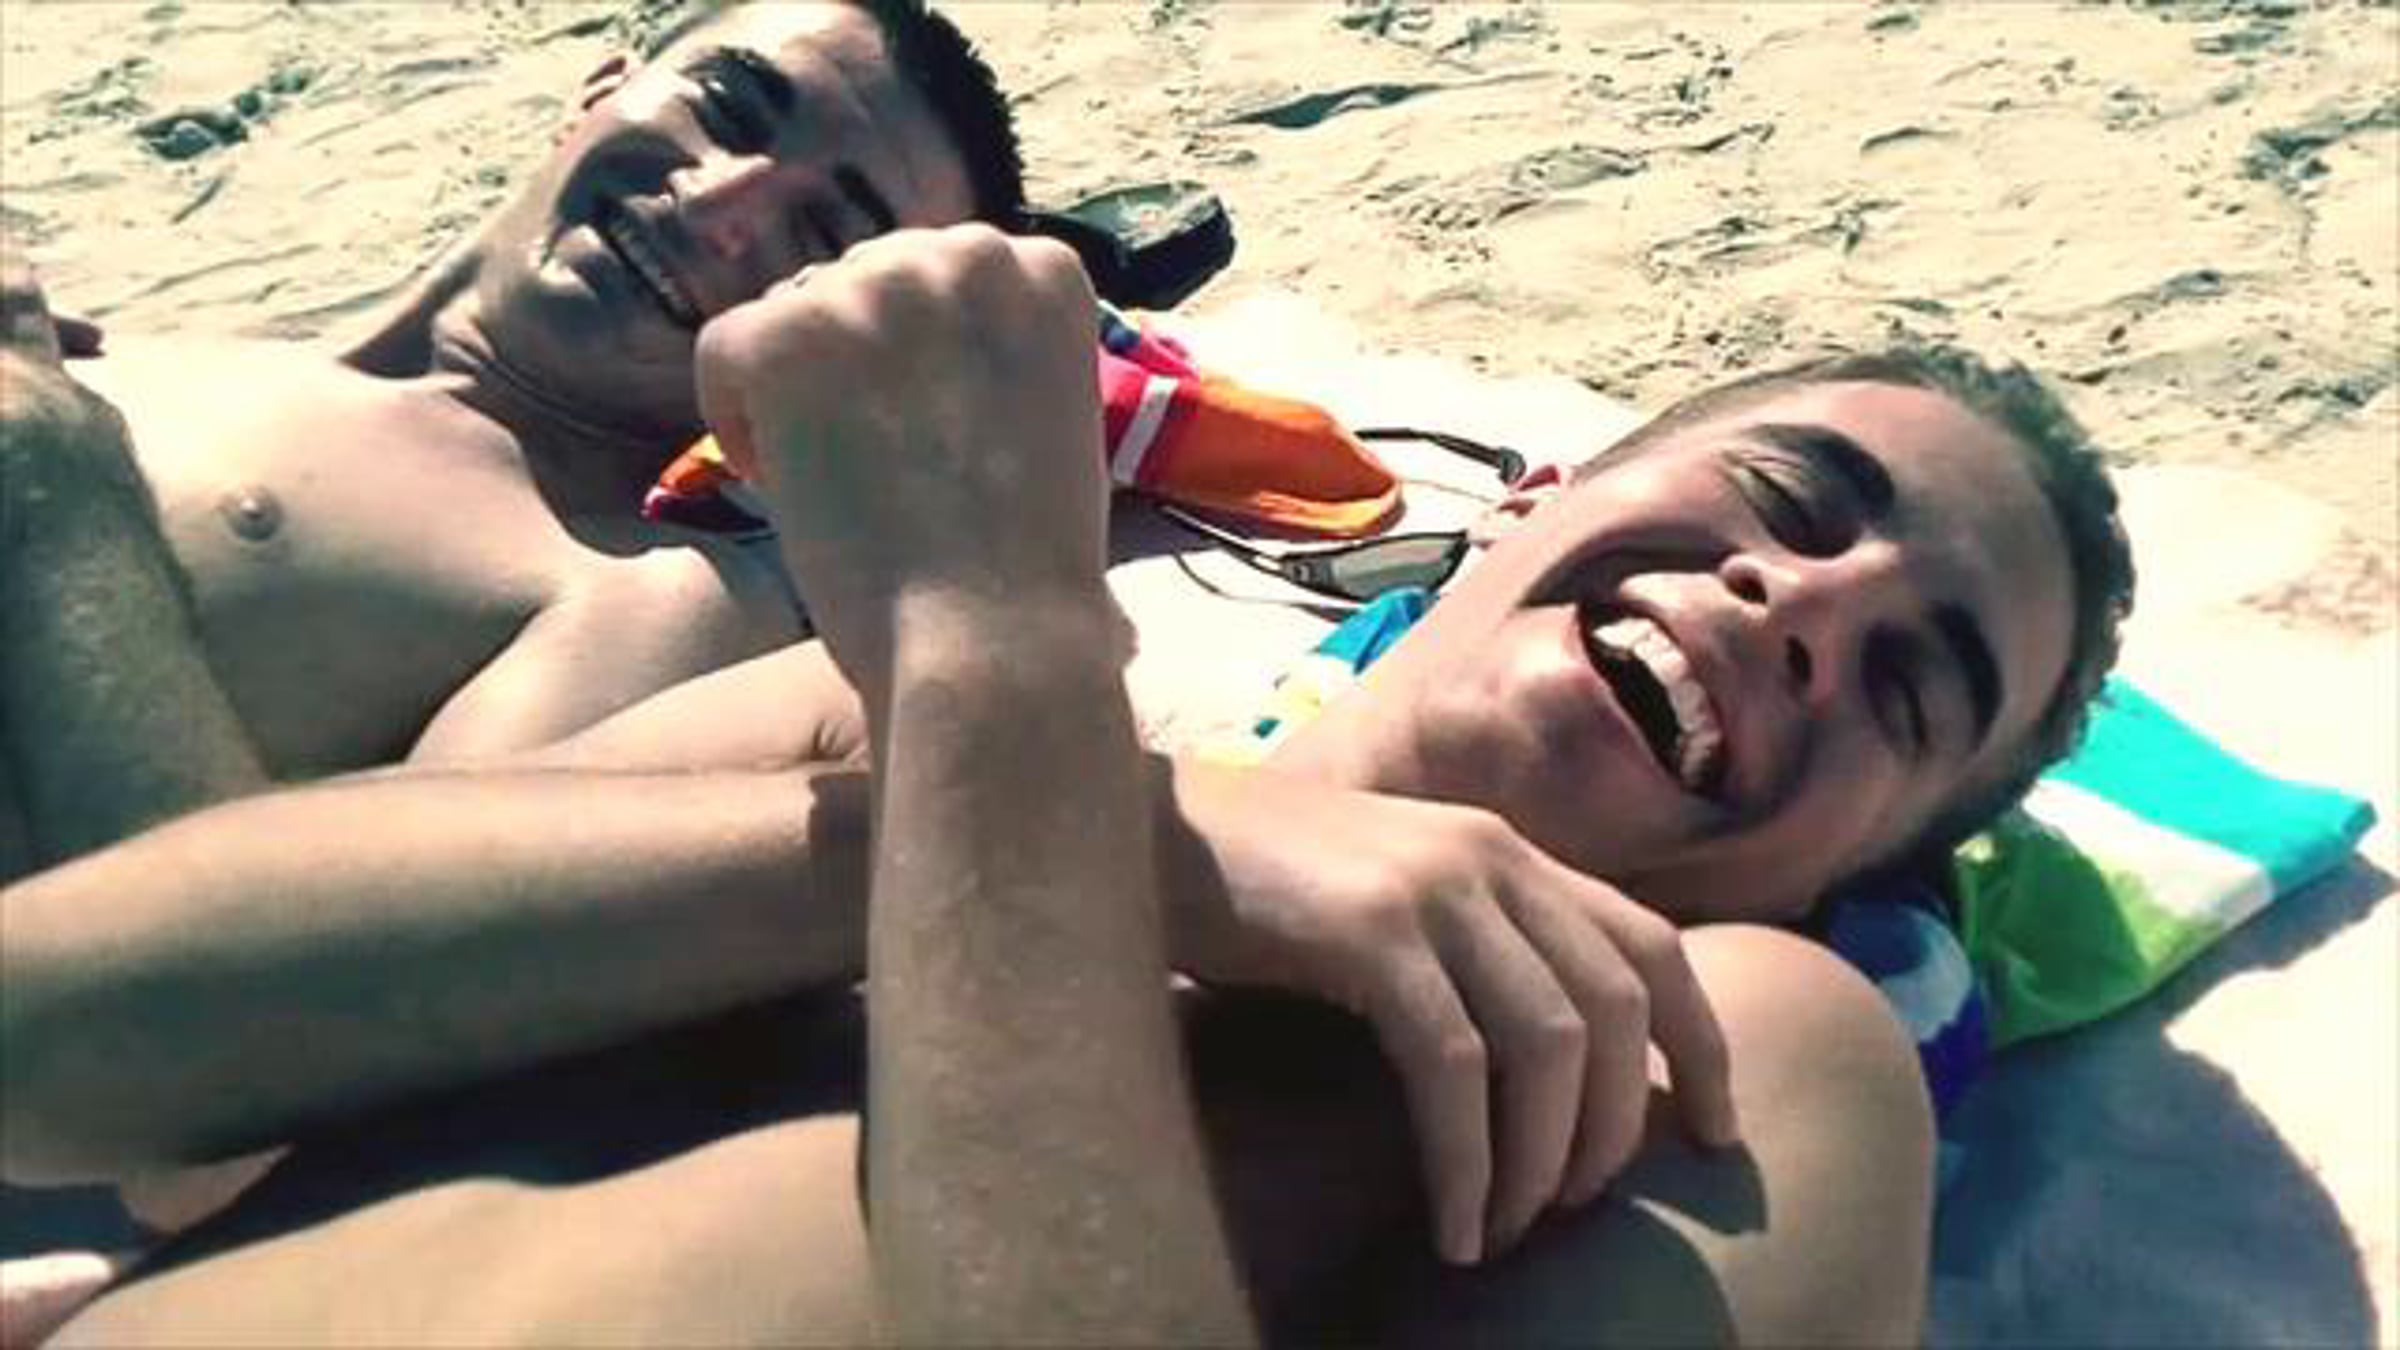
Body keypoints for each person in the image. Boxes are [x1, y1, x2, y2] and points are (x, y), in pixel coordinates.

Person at [9, 211, 2133, 1341]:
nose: (1804, 606)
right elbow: (63, 1056)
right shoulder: (880, 753)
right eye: (1790, 498)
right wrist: (1124, 852)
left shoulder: (1734, 1053)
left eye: (1914, 687)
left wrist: (999, 648)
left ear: (1855, 874)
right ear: (1529, 505)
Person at [0, 0, 1022, 880]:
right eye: (723, 108)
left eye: (824, 233)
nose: (715, 204)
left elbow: (272, 984)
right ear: (603, 88)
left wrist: (61, 487)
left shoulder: (637, 589)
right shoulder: (140, 349)